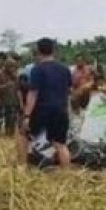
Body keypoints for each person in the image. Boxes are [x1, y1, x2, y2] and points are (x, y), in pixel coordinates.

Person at [22, 38, 72, 169]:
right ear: (53, 50)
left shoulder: (37, 69)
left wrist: (27, 116)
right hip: (61, 110)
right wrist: (67, 110)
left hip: (43, 110)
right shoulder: (65, 69)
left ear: (38, 51)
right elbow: (68, 92)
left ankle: (21, 166)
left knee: (22, 133)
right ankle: (68, 174)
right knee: (61, 143)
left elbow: (33, 94)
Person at [0, 58, 22, 136]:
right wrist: (6, 86)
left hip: (12, 102)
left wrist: (20, 102)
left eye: (14, 67)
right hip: (1, 101)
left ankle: (9, 136)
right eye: (11, 67)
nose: (13, 69)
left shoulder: (14, 76)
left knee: (11, 120)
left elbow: (18, 89)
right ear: (6, 66)